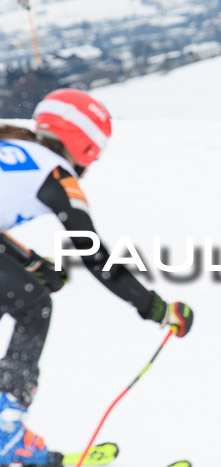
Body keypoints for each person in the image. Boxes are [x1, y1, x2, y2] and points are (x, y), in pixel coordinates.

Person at [0, 89, 194, 466]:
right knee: (33, 304)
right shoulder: (57, 174)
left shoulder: (14, 149)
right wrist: (156, 308)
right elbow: (96, 256)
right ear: (85, 146)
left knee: (21, 293)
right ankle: (6, 434)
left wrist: (33, 264)